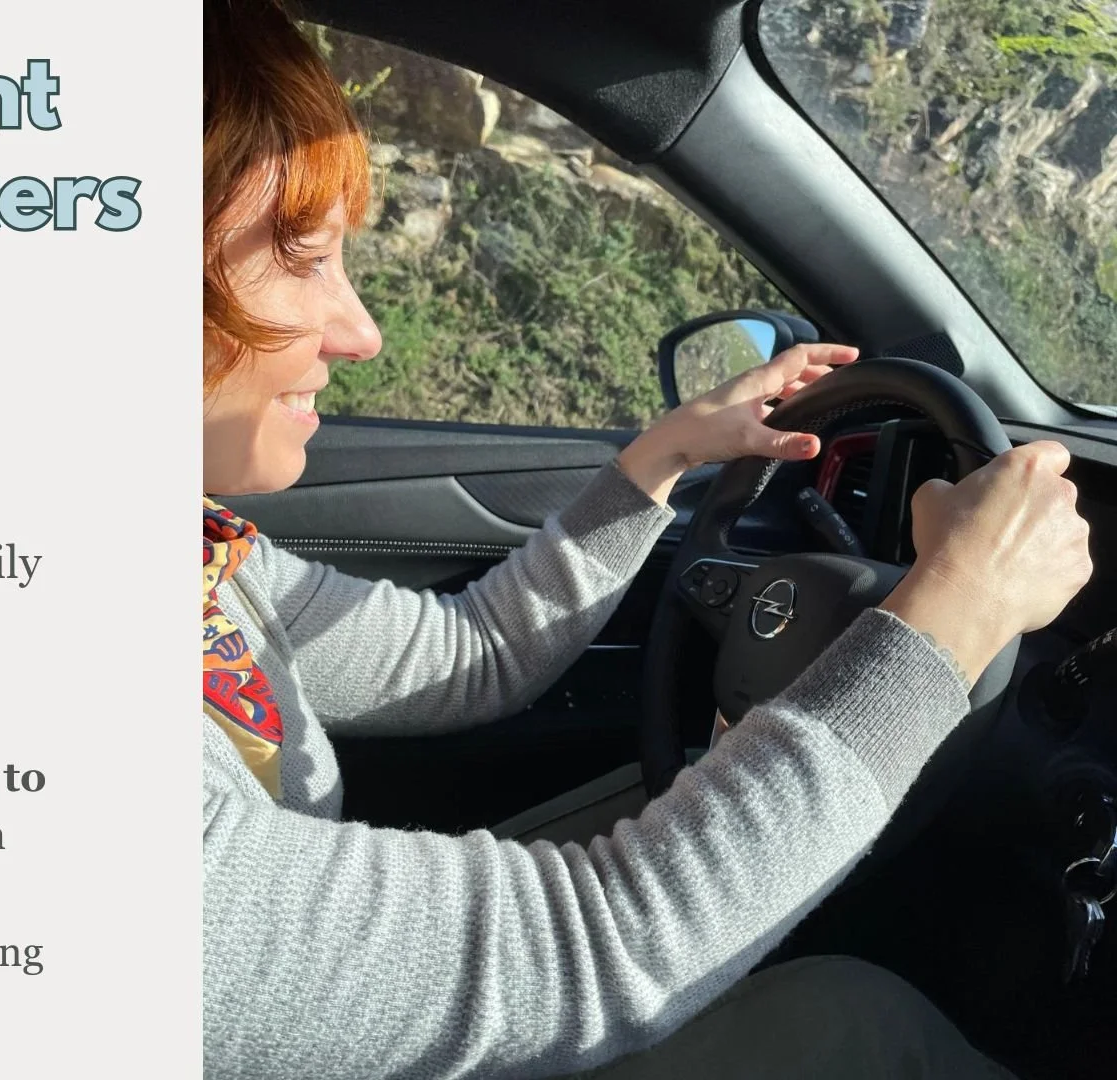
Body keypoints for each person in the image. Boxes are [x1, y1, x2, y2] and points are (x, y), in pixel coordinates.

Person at [198, 2, 1095, 1077]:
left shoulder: (200, 560)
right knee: (856, 1025)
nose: (360, 331)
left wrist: (662, 456)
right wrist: (956, 611)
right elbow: (588, 955)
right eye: (301, 256)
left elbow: (462, 656)